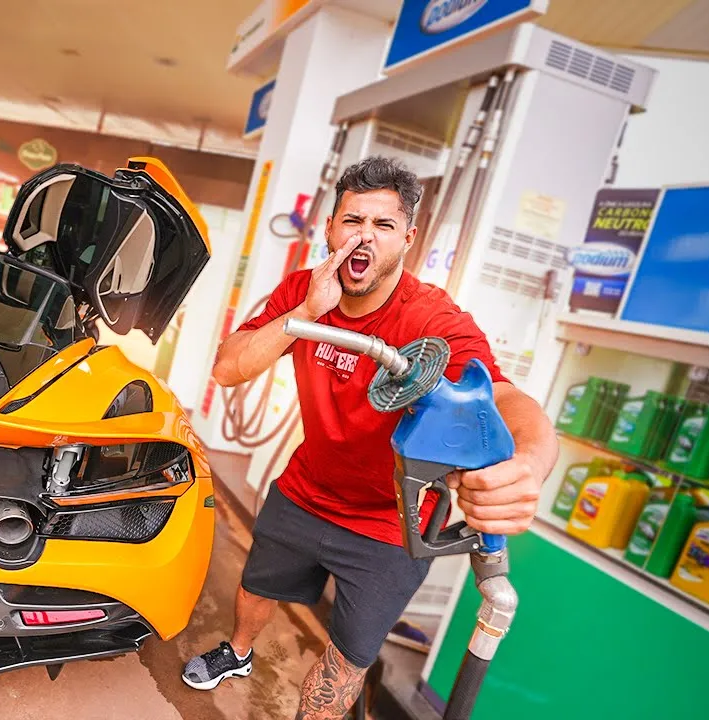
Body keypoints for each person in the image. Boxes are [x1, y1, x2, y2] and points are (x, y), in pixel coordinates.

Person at [180, 156, 558, 719]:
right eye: (353, 221)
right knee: (256, 586)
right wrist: (309, 311)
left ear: (408, 238)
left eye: (383, 225)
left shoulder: (430, 319)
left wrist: (529, 462)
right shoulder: (303, 292)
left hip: (390, 522)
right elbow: (229, 367)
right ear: (330, 229)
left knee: (347, 657)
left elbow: (504, 397)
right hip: (307, 489)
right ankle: (237, 652)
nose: (364, 237)